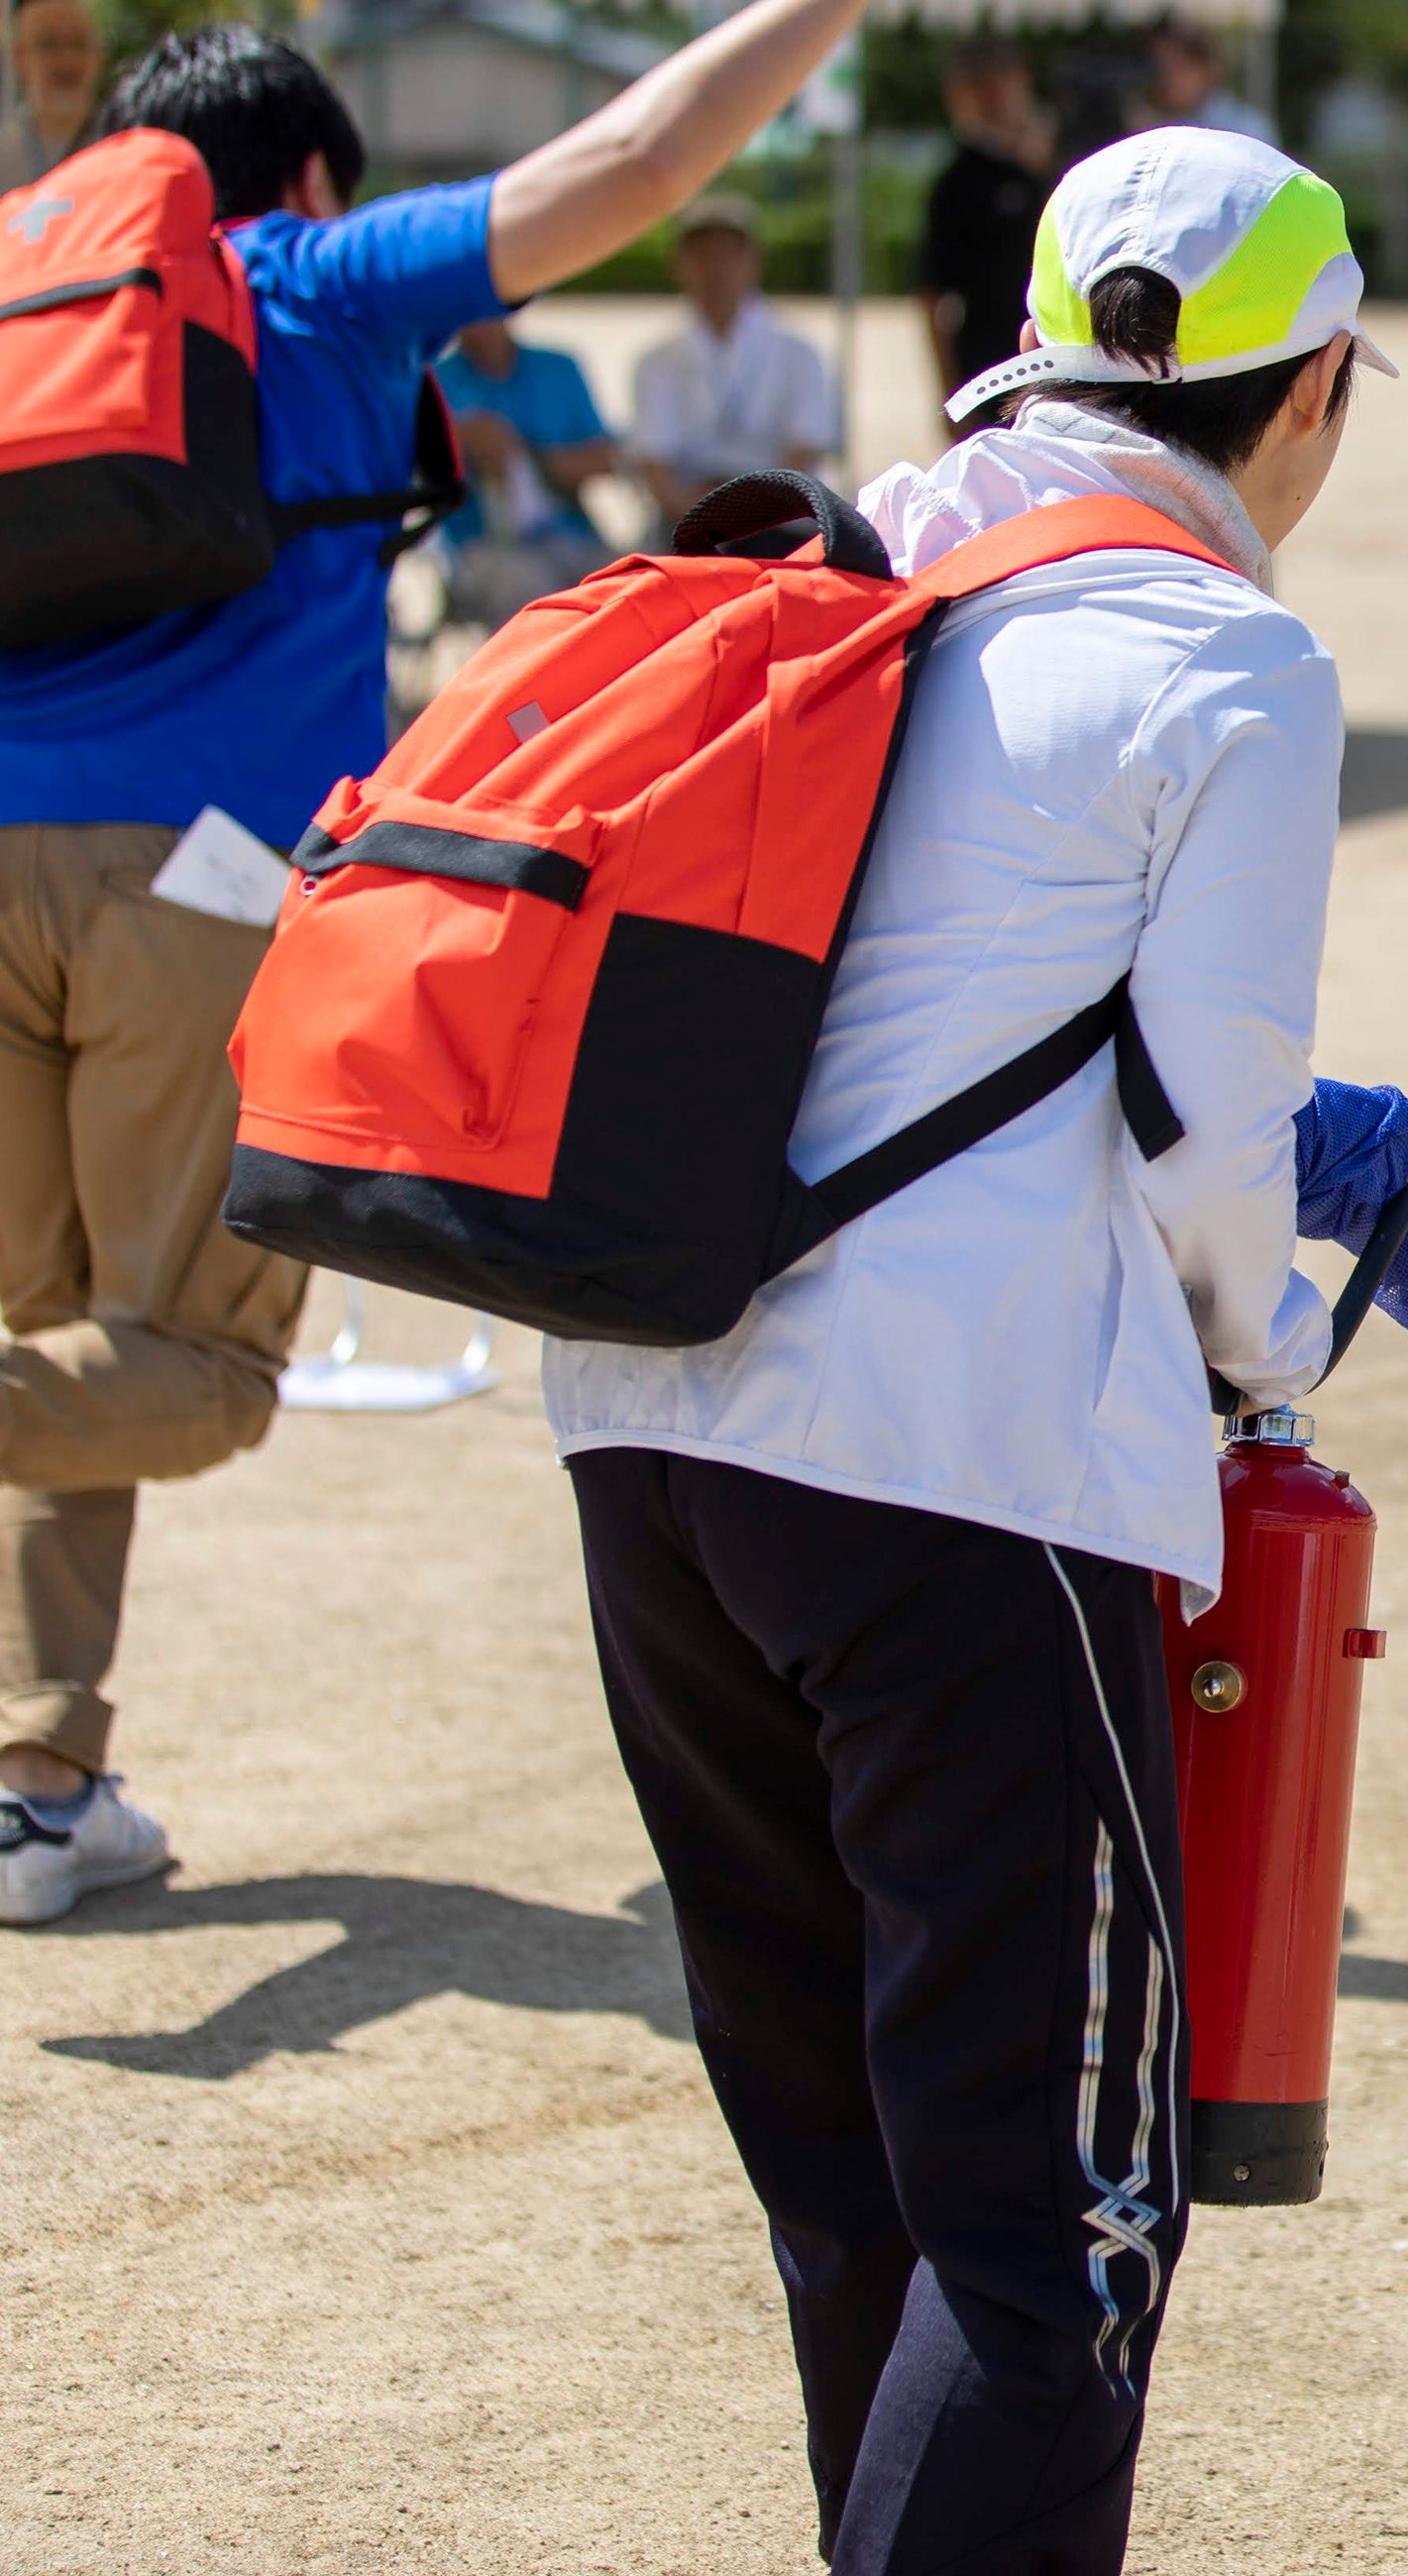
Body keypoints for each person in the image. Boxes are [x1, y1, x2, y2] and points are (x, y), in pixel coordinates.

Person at [547, 124, 1408, 2576]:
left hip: (647, 1433)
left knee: (855, 2175)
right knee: (1052, 2229)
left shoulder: (845, 549)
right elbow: (1206, 1160)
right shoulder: (1229, 652)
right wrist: (1282, 1341)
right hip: (966, 1477)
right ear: (1310, 395)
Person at [0, 0, 882, 1927]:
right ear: (310, 172)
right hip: (194, 884)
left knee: (55, 1334)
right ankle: (40, 1766)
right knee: (204, 1370)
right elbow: (636, 166)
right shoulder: (314, 277)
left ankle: (38, 1780)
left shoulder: (26, 297)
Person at [629, 191, 837, 526]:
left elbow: (804, 451)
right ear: (678, 264)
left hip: (779, 521)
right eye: (701, 255)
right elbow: (655, 467)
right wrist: (702, 520)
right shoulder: (656, 361)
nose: (715, 268)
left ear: (754, 260)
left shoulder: (799, 354)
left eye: (727, 253)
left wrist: (747, 518)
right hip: (687, 522)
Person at [431, 315, 621, 623]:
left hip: (569, 532)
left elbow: (607, 458)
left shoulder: (557, 368)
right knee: (534, 599)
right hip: (480, 543)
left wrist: (528, 457)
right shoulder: (434, 384)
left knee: (634, 585)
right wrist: (459, 441)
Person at [921, 36, 1051, 401]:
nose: (990, 96)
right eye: (976, 86)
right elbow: (934, 294)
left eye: (997, 80)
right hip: (993, 371)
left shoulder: (1066, 155)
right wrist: (948, 389)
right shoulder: (959, 182)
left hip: (1069, 364)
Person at [0, 0, 98, 192]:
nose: (66, 61)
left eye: (78, 44)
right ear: (19, 58)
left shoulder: (122, 149)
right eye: (49, 44)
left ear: (97, 55)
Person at [1145, 22, 1273, 147]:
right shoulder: (1158, 126)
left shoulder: (1247, 127)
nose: (1168, 79)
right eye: (1161, 69)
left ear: (1208, 69)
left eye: (1179, 68)